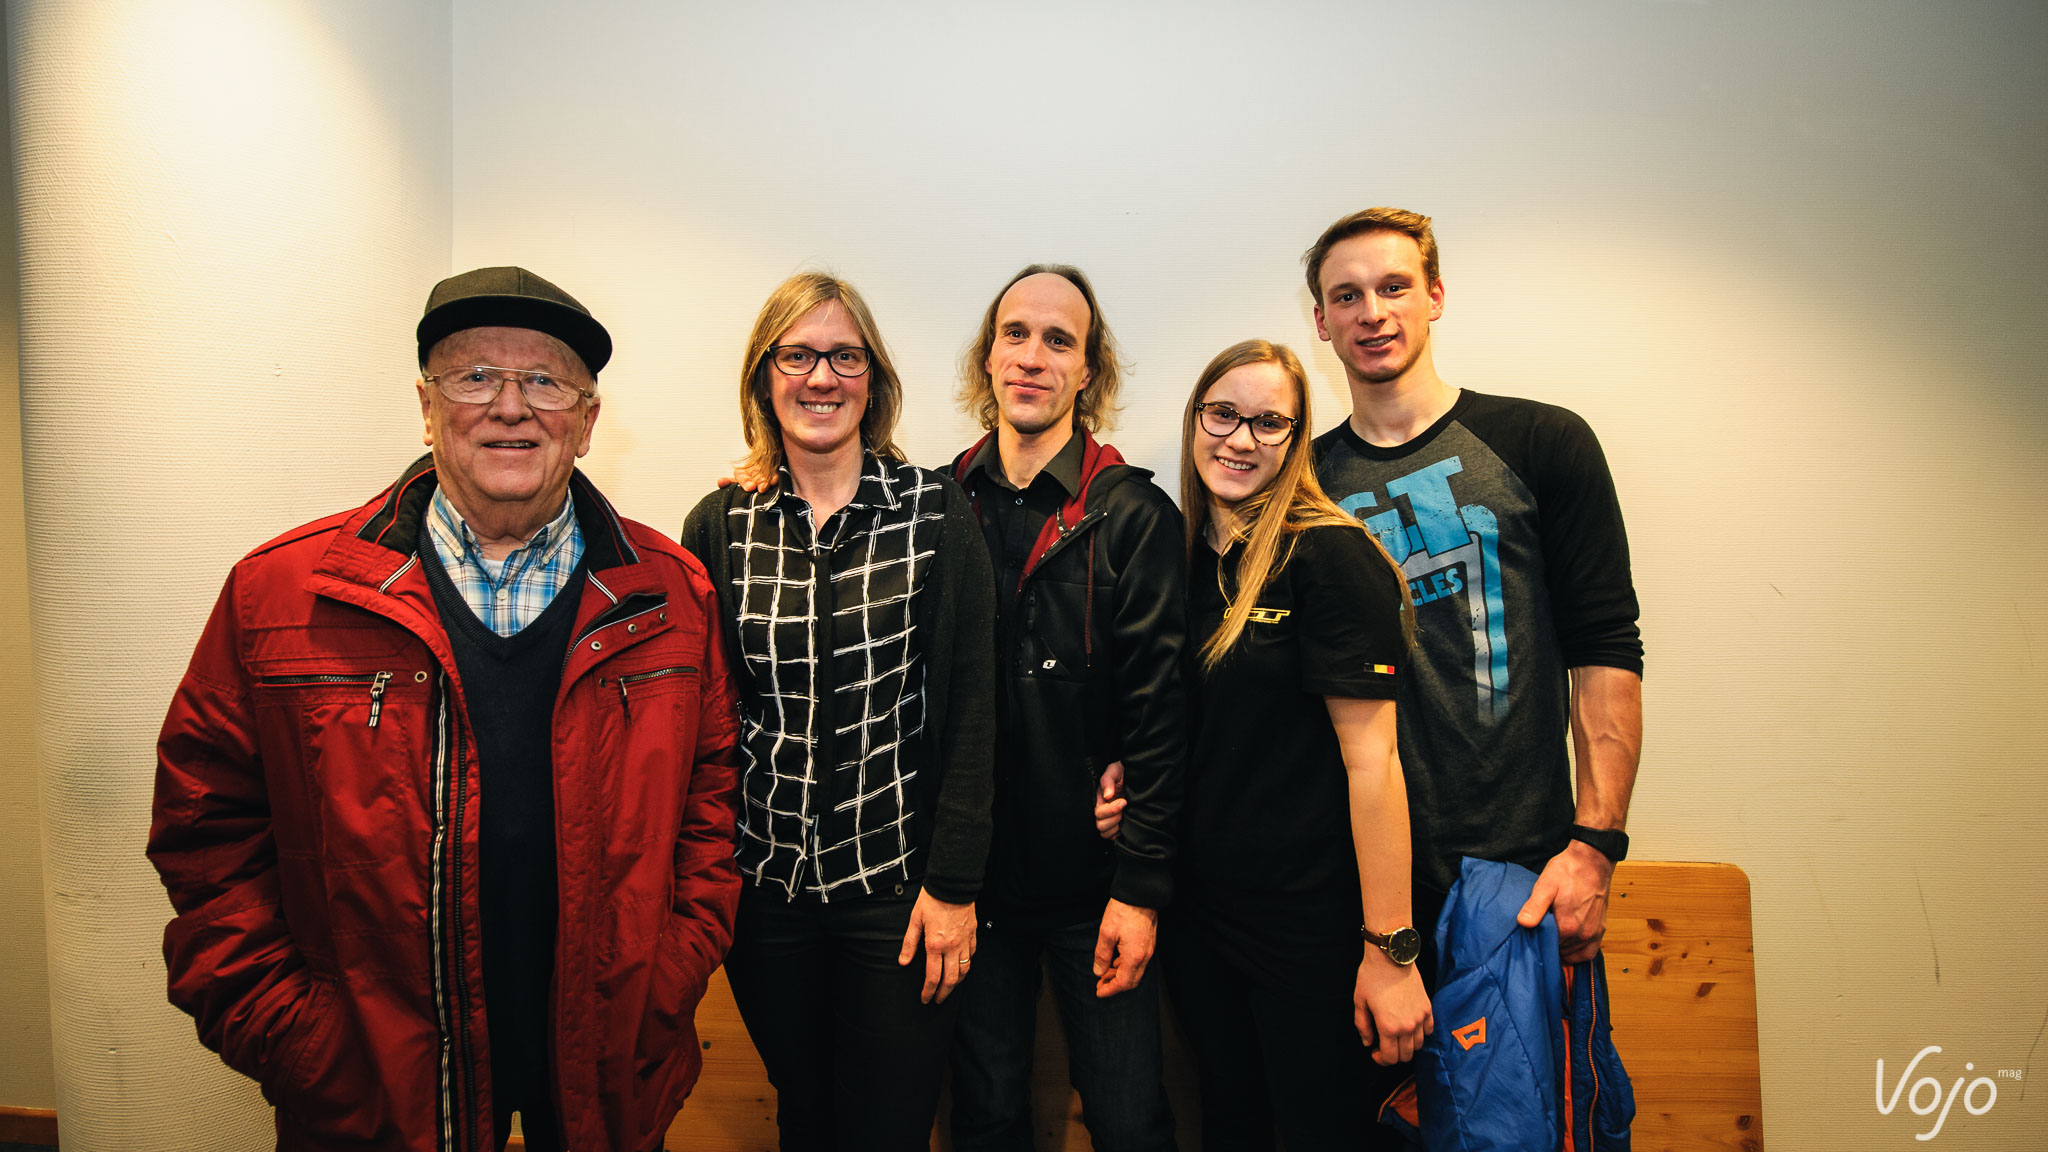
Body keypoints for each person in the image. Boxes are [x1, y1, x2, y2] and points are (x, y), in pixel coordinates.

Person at [149, 266, 742, 1152]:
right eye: (475, 378)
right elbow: (208, 835)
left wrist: (668, 972)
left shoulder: (672, 593)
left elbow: (713, 801)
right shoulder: (278, 594)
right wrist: (299, 1034)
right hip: (369, 1077)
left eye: (545, 381)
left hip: (607, 1060)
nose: (512, 407)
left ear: (586, 423)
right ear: (426, 409)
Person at [680, 273, 996, 1151]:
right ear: (764, 376)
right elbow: (704, 717)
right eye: (799, 355)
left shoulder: (933, 512)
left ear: (873, 380)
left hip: (895, 895)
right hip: (765, 895)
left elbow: (973, 707)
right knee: (805, 1113)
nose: (822, 377)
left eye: (844, 356)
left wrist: (955, 886)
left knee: (888, 1126)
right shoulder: (720, 522)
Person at [1303, 207, 1644, 975]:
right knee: (1366, 1101)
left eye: (1394, 286)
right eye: (1347, 296)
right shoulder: (1303, 484)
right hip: (1353, 885)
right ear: (1321, 322)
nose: (1373, 311)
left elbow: (1605, 648)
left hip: (1520, 875)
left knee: (1527, 1100)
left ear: (1436, 296)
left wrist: (1595, 848)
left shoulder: (1543, 441)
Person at [1165, 339, 1432, 1149]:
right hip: (1200, 920)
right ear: (1195, 421)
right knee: (1231, 1123)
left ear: (1297, 437)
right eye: (1224, 414)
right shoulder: (1180, 563)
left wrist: (1391, 951)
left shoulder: (1329, 555)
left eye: (1269, 422)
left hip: (1311, 927)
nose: (1241, 439)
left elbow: (1375, 764)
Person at [944, 266, 1184, 1152]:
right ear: (990, 356)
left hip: (1097, 893)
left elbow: (1162, 720)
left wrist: (1142, 890)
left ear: (1089, 371)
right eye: (1016, 334)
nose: (1033, 357)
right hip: (967, 893)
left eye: (1059, 341)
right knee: (987, 1117)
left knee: (1128, 1122)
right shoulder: (937, 508)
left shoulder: (1134, 517)